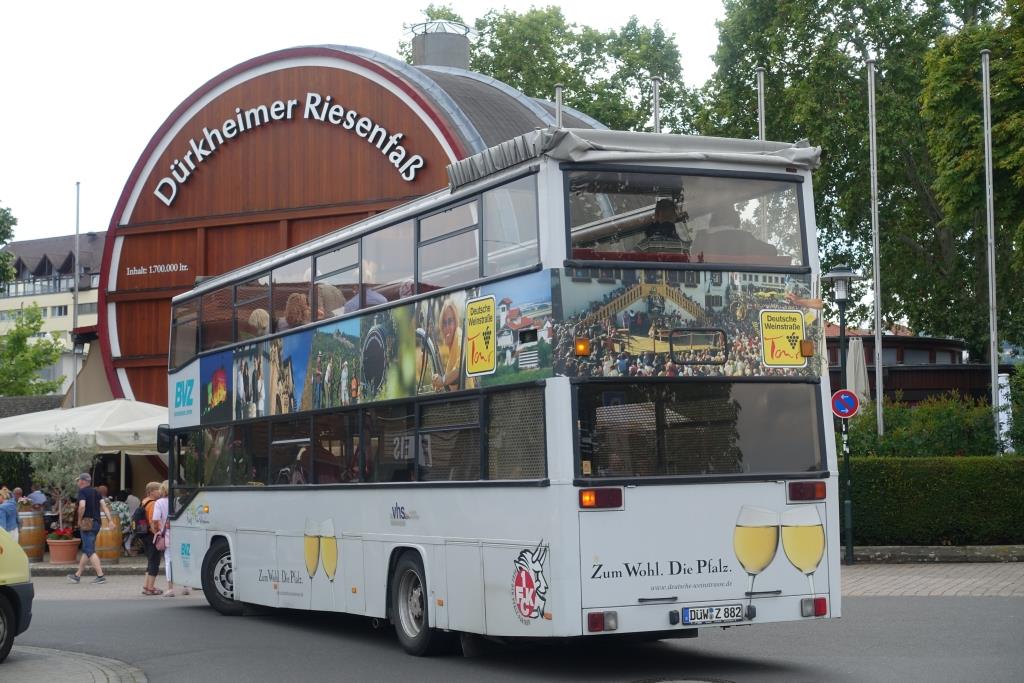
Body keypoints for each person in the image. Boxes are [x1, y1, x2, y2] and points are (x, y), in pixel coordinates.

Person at [67, 473, 111, 584]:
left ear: (82, 481)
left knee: (90, 550)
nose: (77, 483)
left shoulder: (82, 492)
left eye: (78, 481)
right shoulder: (96, 492)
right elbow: (104, 506)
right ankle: (77, 575)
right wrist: (110, 520)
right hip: (97, 523)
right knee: (87, 549)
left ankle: (100, 576)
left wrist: (79, 520)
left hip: (87, 523)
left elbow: (82, 506)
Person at [151, 481, 189, 597]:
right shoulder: (178, 501)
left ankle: (170, 588)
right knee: (184, 559)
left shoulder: (159, 502)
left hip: (168, 535)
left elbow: (155, 519)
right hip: (182, 534)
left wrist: (156, 531)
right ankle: (186, 586)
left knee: (169, 560)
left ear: (163, 490)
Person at [432, 299, 463, 392]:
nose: (447, 327)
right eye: (444, 323)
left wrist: (443, 380)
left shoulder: (459, 335)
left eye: (450, 321)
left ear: (456, 320)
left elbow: (460, 367)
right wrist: (439, 383)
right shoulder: (451, 344)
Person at [140, 481, 163, 595]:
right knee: (155, 561)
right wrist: (158, 533)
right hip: (152, 535)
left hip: (144, 535)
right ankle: (151, 588)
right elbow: (153, 520)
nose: (160, 492)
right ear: (152, 491)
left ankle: (146, 585)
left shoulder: (144, 501)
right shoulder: (153, 504)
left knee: (150, 560)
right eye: (159, 490)